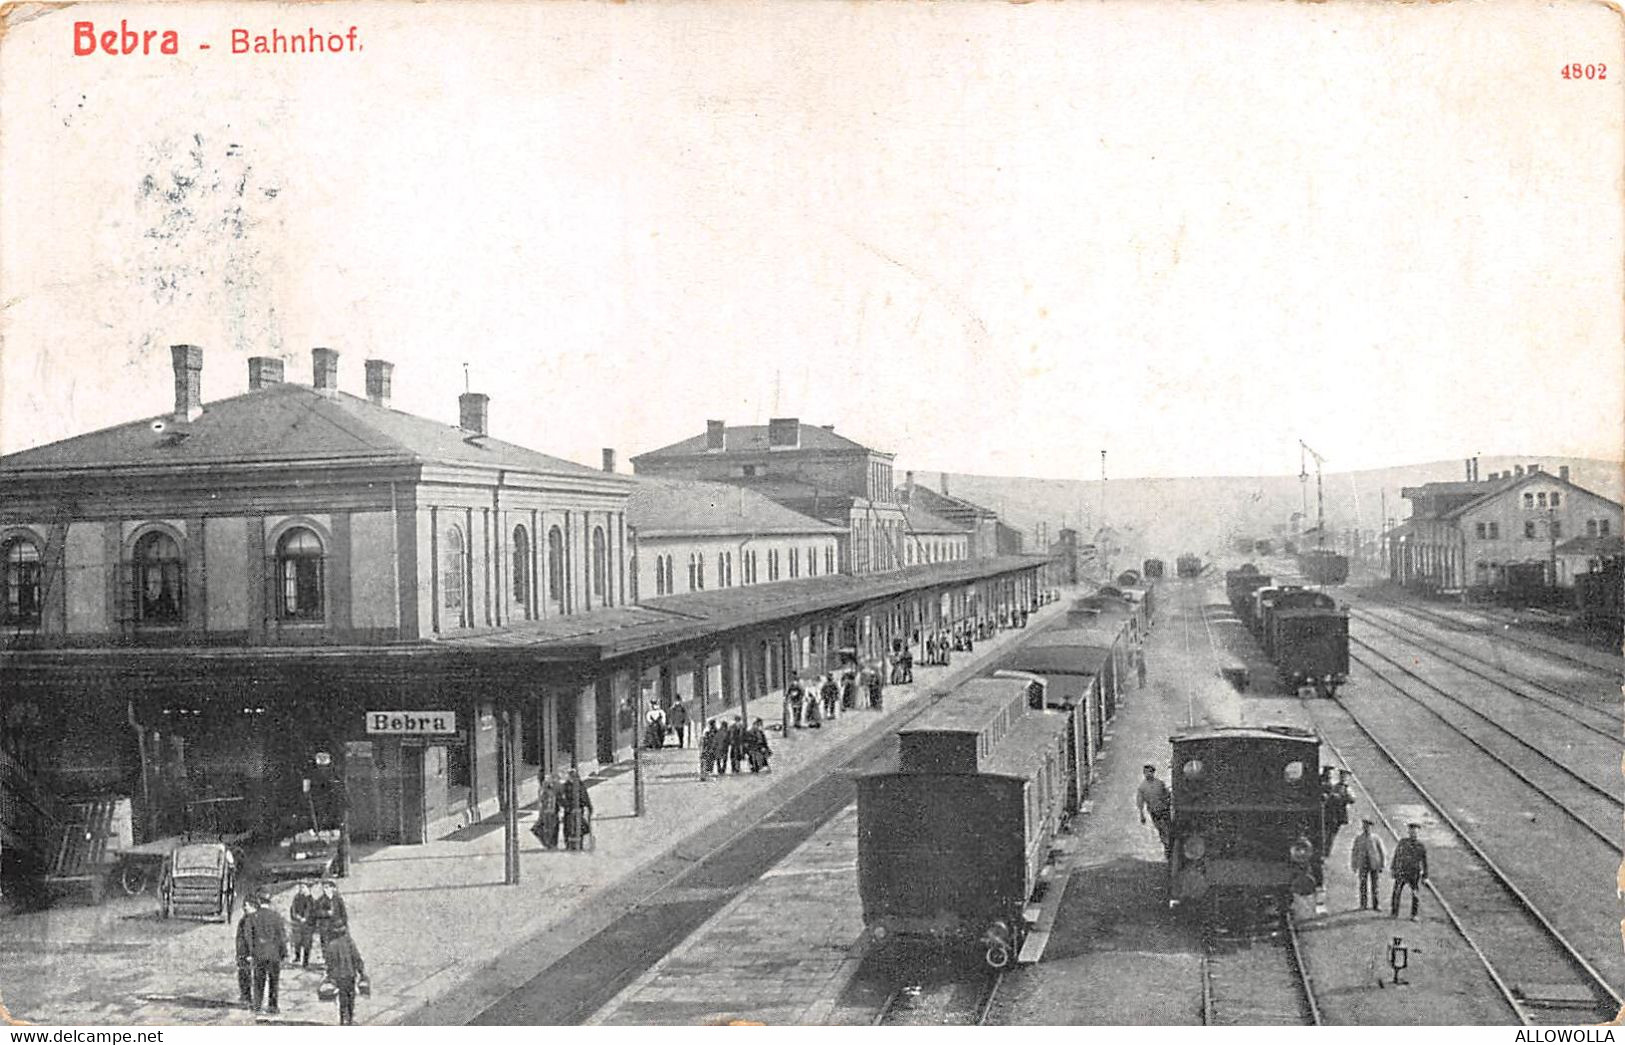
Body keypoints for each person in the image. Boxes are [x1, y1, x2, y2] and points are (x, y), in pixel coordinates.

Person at [247, 888, 288, 1015]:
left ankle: (258, 1006)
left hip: (259, 953)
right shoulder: (276, 916)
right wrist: (283, 953)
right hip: (274, 954)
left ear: (259, 901)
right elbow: (282, 937)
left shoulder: (253, 917)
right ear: (269, 901)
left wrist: (250, 952)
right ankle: (273, 1006)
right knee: (274, 981)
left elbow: (249, 937)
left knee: (259, 981)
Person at [321, 925, 367, 1025]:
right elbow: (356, 957)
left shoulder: (332, 945)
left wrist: (329, 975)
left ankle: (343, 1018)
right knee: (351, 996)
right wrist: (361, 972)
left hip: (339, 976)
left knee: (342, 997)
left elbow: (329, 962)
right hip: (350, 974)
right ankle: (349, 1018)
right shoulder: (349, 943)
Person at [1390, 823, 1428, 919]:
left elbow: (1424, 862)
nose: (1413, 834)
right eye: (1411, 832)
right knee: (1397, 892)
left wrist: (1425, 876)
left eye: (1415, 833)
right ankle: (1394, 912)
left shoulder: (1421, 846)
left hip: (1414, 873)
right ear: (1408, 833)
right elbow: (1396, 856)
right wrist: (1393, 868)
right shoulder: (1403, 843)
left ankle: (1414, 914)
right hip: (1402, 871)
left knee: (1415, 894)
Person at [1135, 764, 1172, 858]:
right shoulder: (1142, 787)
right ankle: (1167, 846)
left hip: (1164, 810)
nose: (1148, 774)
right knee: (1161, 829)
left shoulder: (1160, 783)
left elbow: (1167, 795)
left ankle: (1169, 846)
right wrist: (1141, 815)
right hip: (1154, 812)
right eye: (1146, 772)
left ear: (1153, 772)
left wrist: (1168, 802)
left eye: (1150, 772)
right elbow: (1140, 802)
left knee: (1168, 828)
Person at [1349, 819, 1386, 912]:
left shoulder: (1376, 838)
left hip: (1374, 864)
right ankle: (1363, 904)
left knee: (1375, 886)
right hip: (1363, 864)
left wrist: (1382, 864)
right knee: (1362, 885)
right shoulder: (1358, 838)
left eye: (1368, 826)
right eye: (1365, 826)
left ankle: (1376, 905)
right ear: (1362, 827)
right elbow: (1354, 852)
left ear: (1371, 828)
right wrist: (1354, 864)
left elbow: (1382, 852)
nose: (1366, 828)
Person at [313, 879, 349, 965]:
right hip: (325, 928)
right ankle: (328, 963)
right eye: (324, 888)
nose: (325, 890)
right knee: (326, 946)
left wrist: (344, 924)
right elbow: (315, 913)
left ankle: (339, 963)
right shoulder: (320, 901)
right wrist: (326, 913)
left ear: (332, 888)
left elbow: (343, 914)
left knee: (339, 946)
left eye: (327, 887)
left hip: (337, 927)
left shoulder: (338, 900)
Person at [559, 766, 592, 850]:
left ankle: (579, 844)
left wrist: (588, 806)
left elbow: (584, 796)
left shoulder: (580, 785)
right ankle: (569, 845)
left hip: (578, 810)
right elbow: (561, 798)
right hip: (569, 811)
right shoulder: (565, 786)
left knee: (579, 828)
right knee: (568, 828)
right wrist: (565, 805)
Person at [1323, 770, 1354, 856]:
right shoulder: (1335, 786)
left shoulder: (1348, 789)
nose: (1343, 778)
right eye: (1342, 776)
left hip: (1339, 814)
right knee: (1326, 831)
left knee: (1332, 834)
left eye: (1345, 777)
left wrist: (1344, 796)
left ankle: (1326, 851)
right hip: (1330, 812)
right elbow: (1328, 797)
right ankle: (1324, 849)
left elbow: (1352, 800)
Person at [235, 894, 258, 1006]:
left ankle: (251, 999)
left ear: (253, 906)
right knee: (243, 974)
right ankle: (245, 996)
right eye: (244, 905)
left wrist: (251, 953)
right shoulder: (244, 919)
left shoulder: (253, 919)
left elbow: (252, 938)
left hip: (249, 954)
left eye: (247, 905)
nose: (244, 907)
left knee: (251, 976)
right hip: (242, 953)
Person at [289, 880, 316, 968]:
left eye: (303, 887)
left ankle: (305, 961)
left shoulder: (311, 899)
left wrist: (306, 918)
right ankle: (297, 957)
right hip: (298, 923)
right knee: (297, 941)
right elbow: (293, 909)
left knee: (307, 943)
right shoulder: (297, 897)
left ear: (308, 888)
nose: (301, 889)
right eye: (300, 887)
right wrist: (296, 917)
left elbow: (311, 911)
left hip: (308, 925)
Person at [534, 772, 561, 848]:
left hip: (549, 811)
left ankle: (549, 842)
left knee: (549, 827)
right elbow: (544, 802)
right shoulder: (546, 791)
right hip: (548, 812)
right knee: (548, 827)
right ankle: (549, 843)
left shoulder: (547, 790)